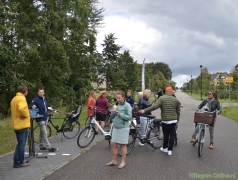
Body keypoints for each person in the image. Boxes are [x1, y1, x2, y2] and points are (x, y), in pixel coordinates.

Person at [140, 87, 180, 156]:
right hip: (173, 120)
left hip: (165, 120)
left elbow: (154, 106)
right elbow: (178, 111)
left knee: (166, 135)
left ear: (165, 92)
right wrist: (177, 120)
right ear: (171, 92)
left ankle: (165, 148)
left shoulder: (161, 98)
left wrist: (145, 110)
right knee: (172, 135)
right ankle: (170, 150)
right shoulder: (175, 100)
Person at [106, 91, 132, 169]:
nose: (118, 99)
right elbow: (111, 117)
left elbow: (129, 117)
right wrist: (113, 112)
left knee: (122, 145)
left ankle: (123, 162)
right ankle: (114, 160)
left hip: (123, 127)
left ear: (123, 98)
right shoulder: (116, 105)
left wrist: (120, 114)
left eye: (119, 98)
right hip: (116, 127)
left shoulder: (127, 106)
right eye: (117, 98)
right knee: (113, 144)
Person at [29, 88, 58, 152]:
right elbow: (30, 106)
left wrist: (47, 114)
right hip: (40, 118)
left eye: (42, 92)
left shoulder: (44, 99)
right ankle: (49, 147)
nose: (41, 93)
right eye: (40, 92)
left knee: (42, 132)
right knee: (45, 132)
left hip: (45, 117)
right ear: (38, 93)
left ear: (44, 92)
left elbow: (45, 108)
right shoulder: (35, 100)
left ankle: (41, 146)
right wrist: (32, 107)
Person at [11, 85, 31, 168]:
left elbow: (18, 109)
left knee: (19, 144)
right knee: (22, 144)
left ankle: (16, 161)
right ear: (25, 91)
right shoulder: (21, 98)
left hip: (16, 123)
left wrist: (26, 111)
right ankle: (19, 162)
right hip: (22, 124)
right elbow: (22, 109)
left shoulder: (14, 98)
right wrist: (27, 114)